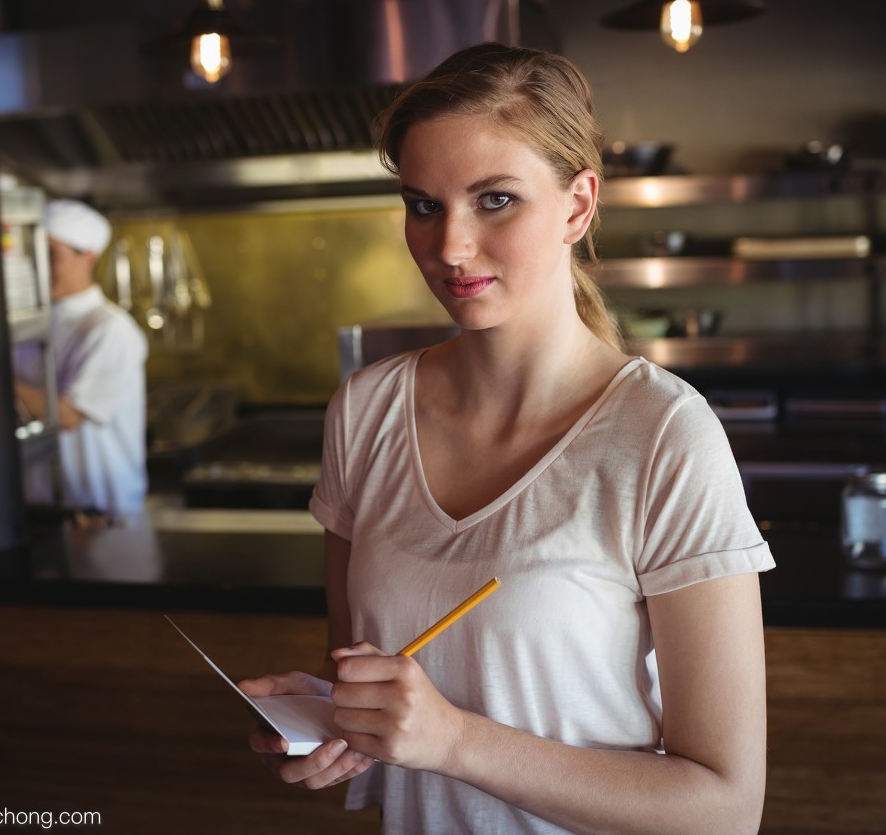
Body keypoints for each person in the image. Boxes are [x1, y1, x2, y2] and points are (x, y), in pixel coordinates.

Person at [240, 42, 774, 834]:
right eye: (423, 204)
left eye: (494, 200)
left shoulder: (663, 436)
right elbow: (363, 665)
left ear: (578, 205)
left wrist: (454, 740)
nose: (450, 247)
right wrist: (326, 715)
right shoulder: (365, 411)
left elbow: (725, 807)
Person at [13, 199, 148, 519]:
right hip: (39, 510)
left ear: (88, 257)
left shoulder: (109, 329)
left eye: (51, 255)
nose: (38, 267)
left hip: (101, 514)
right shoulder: (26, 324)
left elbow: (68, 416)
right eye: (32, 254)